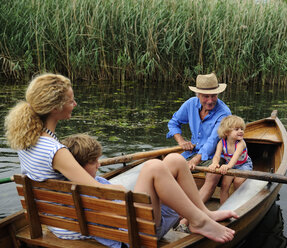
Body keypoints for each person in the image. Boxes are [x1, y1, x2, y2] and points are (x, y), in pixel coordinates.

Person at [4, 73, 236, 245]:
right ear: (55, 107)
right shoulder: (56, 150)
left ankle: (205, 214)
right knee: (154, 166)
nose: (75, 104)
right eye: (70, 100)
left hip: (69, 219)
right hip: (102, 227)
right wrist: (127, 191)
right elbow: (97, 192)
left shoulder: (28, 140)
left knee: (175, 161)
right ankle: (199, 220)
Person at [167, 72, 232, 203]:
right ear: (198, 95)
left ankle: (194, 214)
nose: (210, 100)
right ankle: (171, 207)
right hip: (192, 151)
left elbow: (212, 141)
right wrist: (181, 141)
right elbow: (174, 122)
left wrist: (195, 161)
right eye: (206, 96)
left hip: (216, 155)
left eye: (214, 96)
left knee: (213, 175)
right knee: (168, 167)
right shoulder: (191, 104)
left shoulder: (224, 112)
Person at [208, 115, 253, 204]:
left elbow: (235, 158)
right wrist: (214, 163)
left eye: (241, 129)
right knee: (224, 186)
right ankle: (223, 207)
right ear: (227, 132)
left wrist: (227, 166)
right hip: (231, 166)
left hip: (243, 165)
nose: (240, 131)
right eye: (236, 129)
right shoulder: (221, 143)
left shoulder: (241, 143)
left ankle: (239, 204)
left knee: (237, 182)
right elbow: (217, 156)